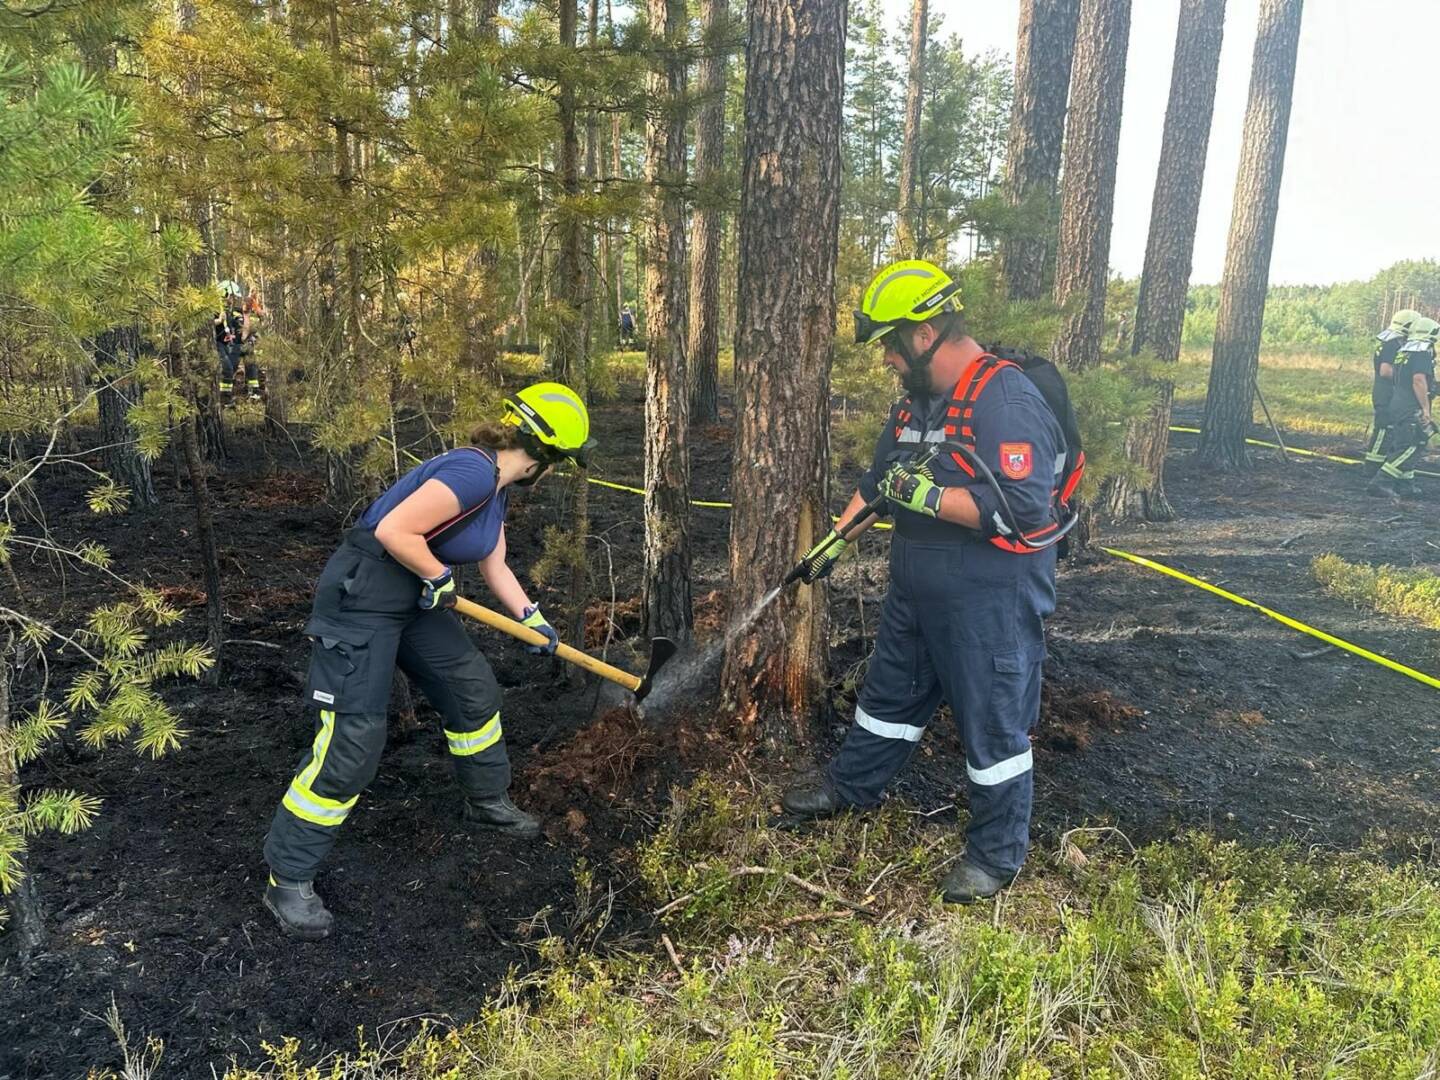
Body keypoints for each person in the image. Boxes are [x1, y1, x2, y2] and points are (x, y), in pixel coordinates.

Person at [262, 382, 595, 940]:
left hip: (412, 598)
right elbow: (394, 531)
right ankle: (288, 878)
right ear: (549, 455)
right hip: (362, 596)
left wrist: (530, 616)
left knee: (471, 689)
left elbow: (494, 561)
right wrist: (439, 577)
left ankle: (486, 799)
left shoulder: (499, 487)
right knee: (353, 741)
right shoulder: (471, 473)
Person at [781, 259, 1066, 904]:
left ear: (922, 332)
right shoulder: (917, 404)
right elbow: (879, 483)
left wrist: (931, 498)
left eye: (887, 343)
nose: (884, 359)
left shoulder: (1005, 398)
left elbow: (1025, 509)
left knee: (992, 723)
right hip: (918, 588)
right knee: (887, 697)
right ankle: (853, 789)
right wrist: (833, 543)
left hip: (988, 596)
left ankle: (995, 856)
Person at [1367, 316, 1437, 500]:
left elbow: (1401, 378)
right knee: (1413, 445)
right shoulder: (1421, 354)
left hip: (1398, 405)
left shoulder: (1403, 353)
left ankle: (1406, 483)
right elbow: (1418, 380)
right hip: (1410, 408)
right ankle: (1381, 481)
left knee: (1405, 442)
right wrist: (1425, 409)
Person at [1364, 308, 1422, 469]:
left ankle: (1378, 464)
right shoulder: (1392, 344)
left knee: (1388, 431)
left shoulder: (1391, 341)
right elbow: (1385, 370)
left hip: (1388, 393)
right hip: (1386, 394)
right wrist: (1408, 380)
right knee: (1384, 430)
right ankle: (1372, 467)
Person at [213, 280, 251, 405]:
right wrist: (218, 321)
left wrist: (246, 315)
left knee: (232, 367)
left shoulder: (229, 313)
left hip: (227, 346)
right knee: (227, 369)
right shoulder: (213, 310)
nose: (232, 300)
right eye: (231, 296)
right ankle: (225, 399)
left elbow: (243, 334)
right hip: (216, 345)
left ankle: (227, 398)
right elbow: (205, 326)